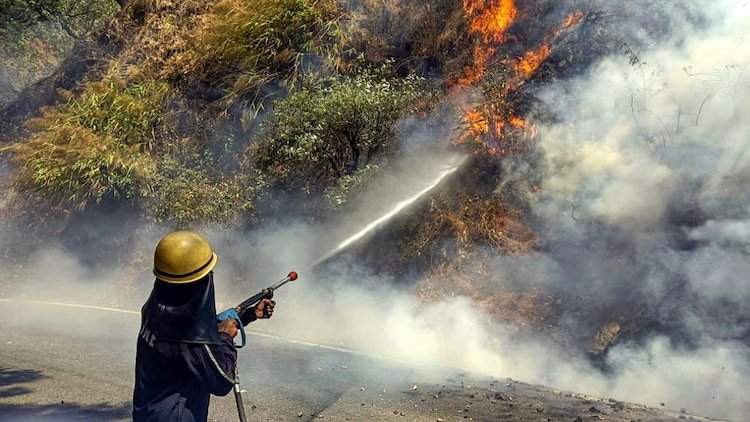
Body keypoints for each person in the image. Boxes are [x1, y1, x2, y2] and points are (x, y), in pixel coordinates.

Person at [133, 231, 275, 422]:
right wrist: (225, 336)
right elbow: (222, 380)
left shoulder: (156, 307)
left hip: (147, 413)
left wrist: (246, 315)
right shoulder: (189, 338)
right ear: (198, 281)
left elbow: (194, 334)